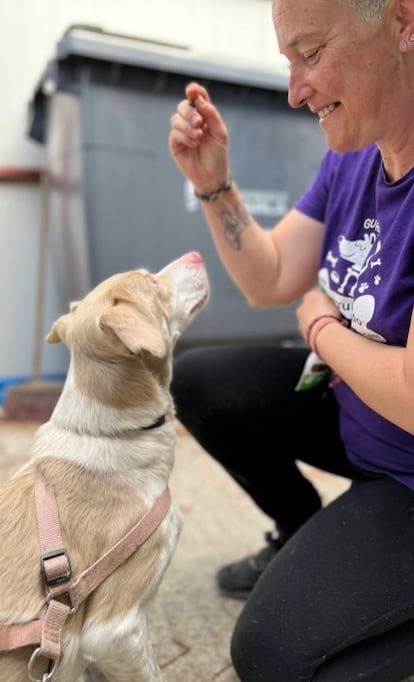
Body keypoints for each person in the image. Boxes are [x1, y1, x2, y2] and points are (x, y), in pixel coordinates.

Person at [168, 0, 414, 680]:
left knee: (276, 652)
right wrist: (213, 183)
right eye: (288, 62)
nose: (294, 90)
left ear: (402, 20)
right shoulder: (357, 153)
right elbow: (271, 278)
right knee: (202, 382)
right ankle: (303, 532)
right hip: (364, 424)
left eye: (310, 54)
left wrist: (323, 328)